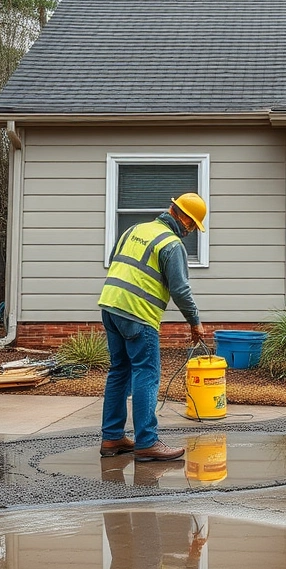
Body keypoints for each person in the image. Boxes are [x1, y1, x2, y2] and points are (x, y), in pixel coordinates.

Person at [98, 192, 207, 461]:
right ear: (180, 215)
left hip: (110, 305)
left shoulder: (134, 229)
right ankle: (147, 442)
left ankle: (112, 438)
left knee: (119, 371)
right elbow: (181, 290)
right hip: (138, 314)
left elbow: (116, 261)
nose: (190, 230)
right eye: (191, 224)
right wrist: (195, 322)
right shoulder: (171, 244)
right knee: (146, 373)